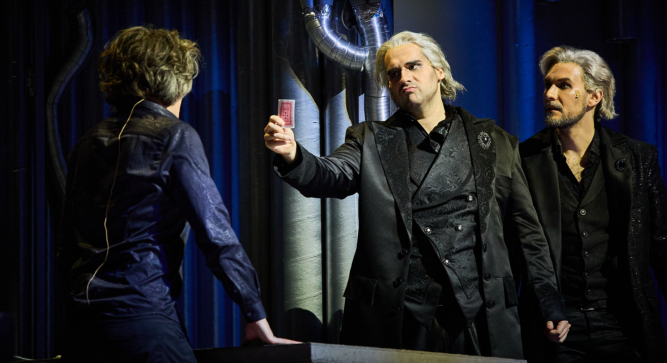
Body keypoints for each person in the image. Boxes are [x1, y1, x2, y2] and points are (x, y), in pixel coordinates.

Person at [263, 31, 569, 358]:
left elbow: (528, 232)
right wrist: (293, 155)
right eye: (394, 73)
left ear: (439, 71)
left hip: (478, 314)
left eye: (413, 66)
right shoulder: (371, 139)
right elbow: (330, 174)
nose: (403, 77)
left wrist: (549, 303)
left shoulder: (494, 141)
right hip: (401, 316)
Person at [58, 27, 293, 363]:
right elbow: (216, 235)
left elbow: (67, 243)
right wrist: (254, 313)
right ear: (174, 82)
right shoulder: (174, 135)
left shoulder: (86, 142)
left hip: (80, 325)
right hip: (142, 317)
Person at [515, 45, 667, 362]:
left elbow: (663, 239)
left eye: (563, 85)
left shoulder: (637, 157)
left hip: (621, 323)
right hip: (558, 326)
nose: (549, 94)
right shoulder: (525, 158)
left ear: (594, 97)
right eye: (547, 85)